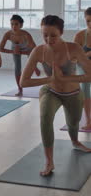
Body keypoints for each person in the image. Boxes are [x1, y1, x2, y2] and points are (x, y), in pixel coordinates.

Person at [20, 15, 91, 176]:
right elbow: (24, 82)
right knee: (45, 118)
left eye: (53, 35)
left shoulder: (73, 48)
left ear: (61, 33)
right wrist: (50, 79)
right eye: (45, 34)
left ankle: (75, 141)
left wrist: (64, 78)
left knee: (73, 123)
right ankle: (49, 161)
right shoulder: (38, 51)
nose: (48, 39)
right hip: (50, 91)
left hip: (73, 93)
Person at [0, 14, 41, 96]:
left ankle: (34, 67)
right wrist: (13, 52)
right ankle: (20, 89)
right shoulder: (8, 34)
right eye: (12, 24)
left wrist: (22, 53)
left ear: (21, 25)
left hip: (27, 49)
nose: (14, 26)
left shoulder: (26, 35)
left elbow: (35, 50)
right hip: (15, 50)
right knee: (17, 69)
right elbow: (0, 49)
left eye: (16, 24)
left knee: (30, 59)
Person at [73, 8, 91, 130]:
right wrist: (88, 55)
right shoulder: (80, 36)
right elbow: (73, 58)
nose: (90, 24)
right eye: (88, 21)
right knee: (85, 91)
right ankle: (88, 120)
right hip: (83, 69)